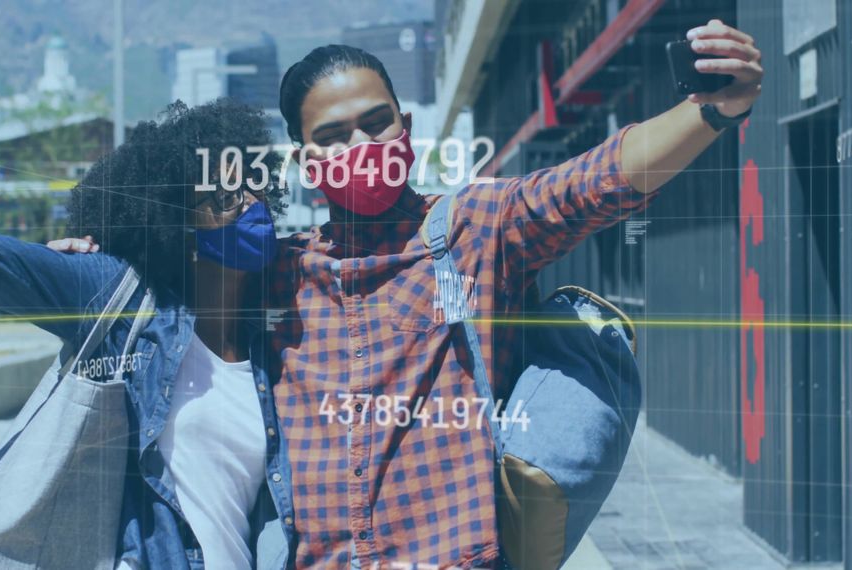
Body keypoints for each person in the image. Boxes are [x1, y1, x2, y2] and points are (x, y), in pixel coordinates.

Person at [54, 18, 763, 569]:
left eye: (375, 123)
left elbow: (594, 182)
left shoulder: (477, 229)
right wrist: (95, 256)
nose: (360, 147)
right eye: (333, 136)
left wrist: (711, 112)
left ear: (408, 128)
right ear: (305, 163)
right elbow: (170, 277)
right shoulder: (275, 273)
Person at [0, 99, 295, 570]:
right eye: (223, 198)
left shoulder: (278, 332)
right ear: (173, 219)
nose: (250, 205)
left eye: (253, 184)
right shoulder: (118, 300)